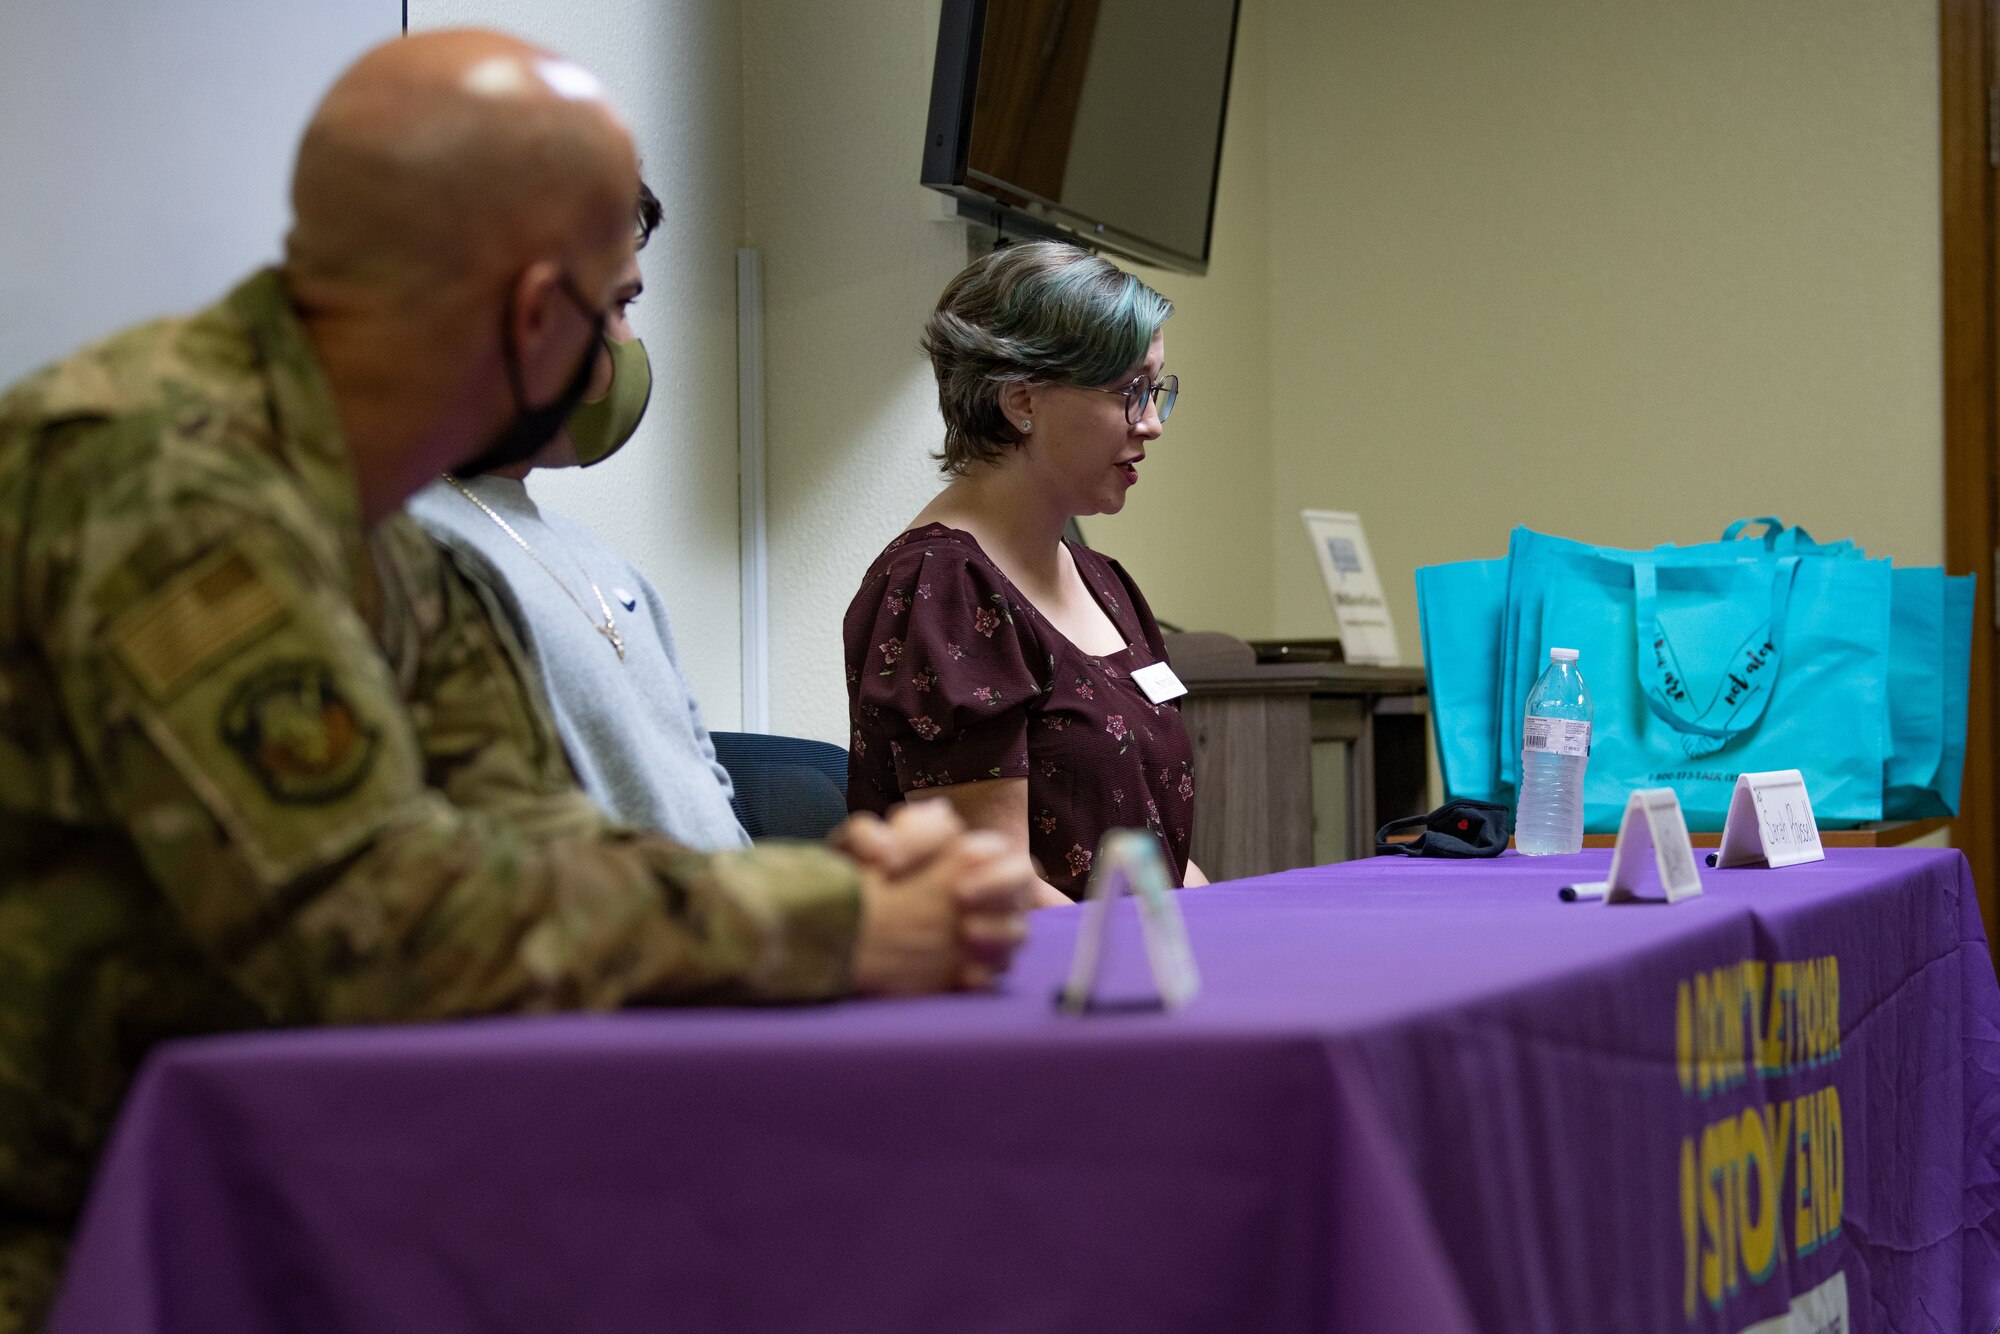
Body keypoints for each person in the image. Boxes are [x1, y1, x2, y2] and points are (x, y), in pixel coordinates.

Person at [0, 32, 1027, 1329]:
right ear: (539, 314)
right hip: (92, 1250)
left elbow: (536, 853)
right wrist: (822, 922)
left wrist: (809, 891)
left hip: (296, 1207)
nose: (615, 358)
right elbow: (378, 922)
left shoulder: (407, 549)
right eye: (618, 307)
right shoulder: (164, 478)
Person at [844, 240, 1207, 905]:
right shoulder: (943, 588)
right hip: (1035, 992)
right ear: (1022, 403)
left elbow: (1165, 866)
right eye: (1129, 392)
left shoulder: (1107, 583)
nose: (1152, 424)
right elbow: (997, 889)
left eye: (1156, 390)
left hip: (1131, 975)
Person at [409, 181, 748, 851]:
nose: (625, 349)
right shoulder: (415, 556)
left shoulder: (609, 571)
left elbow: (708, 793)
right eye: (617, 307)